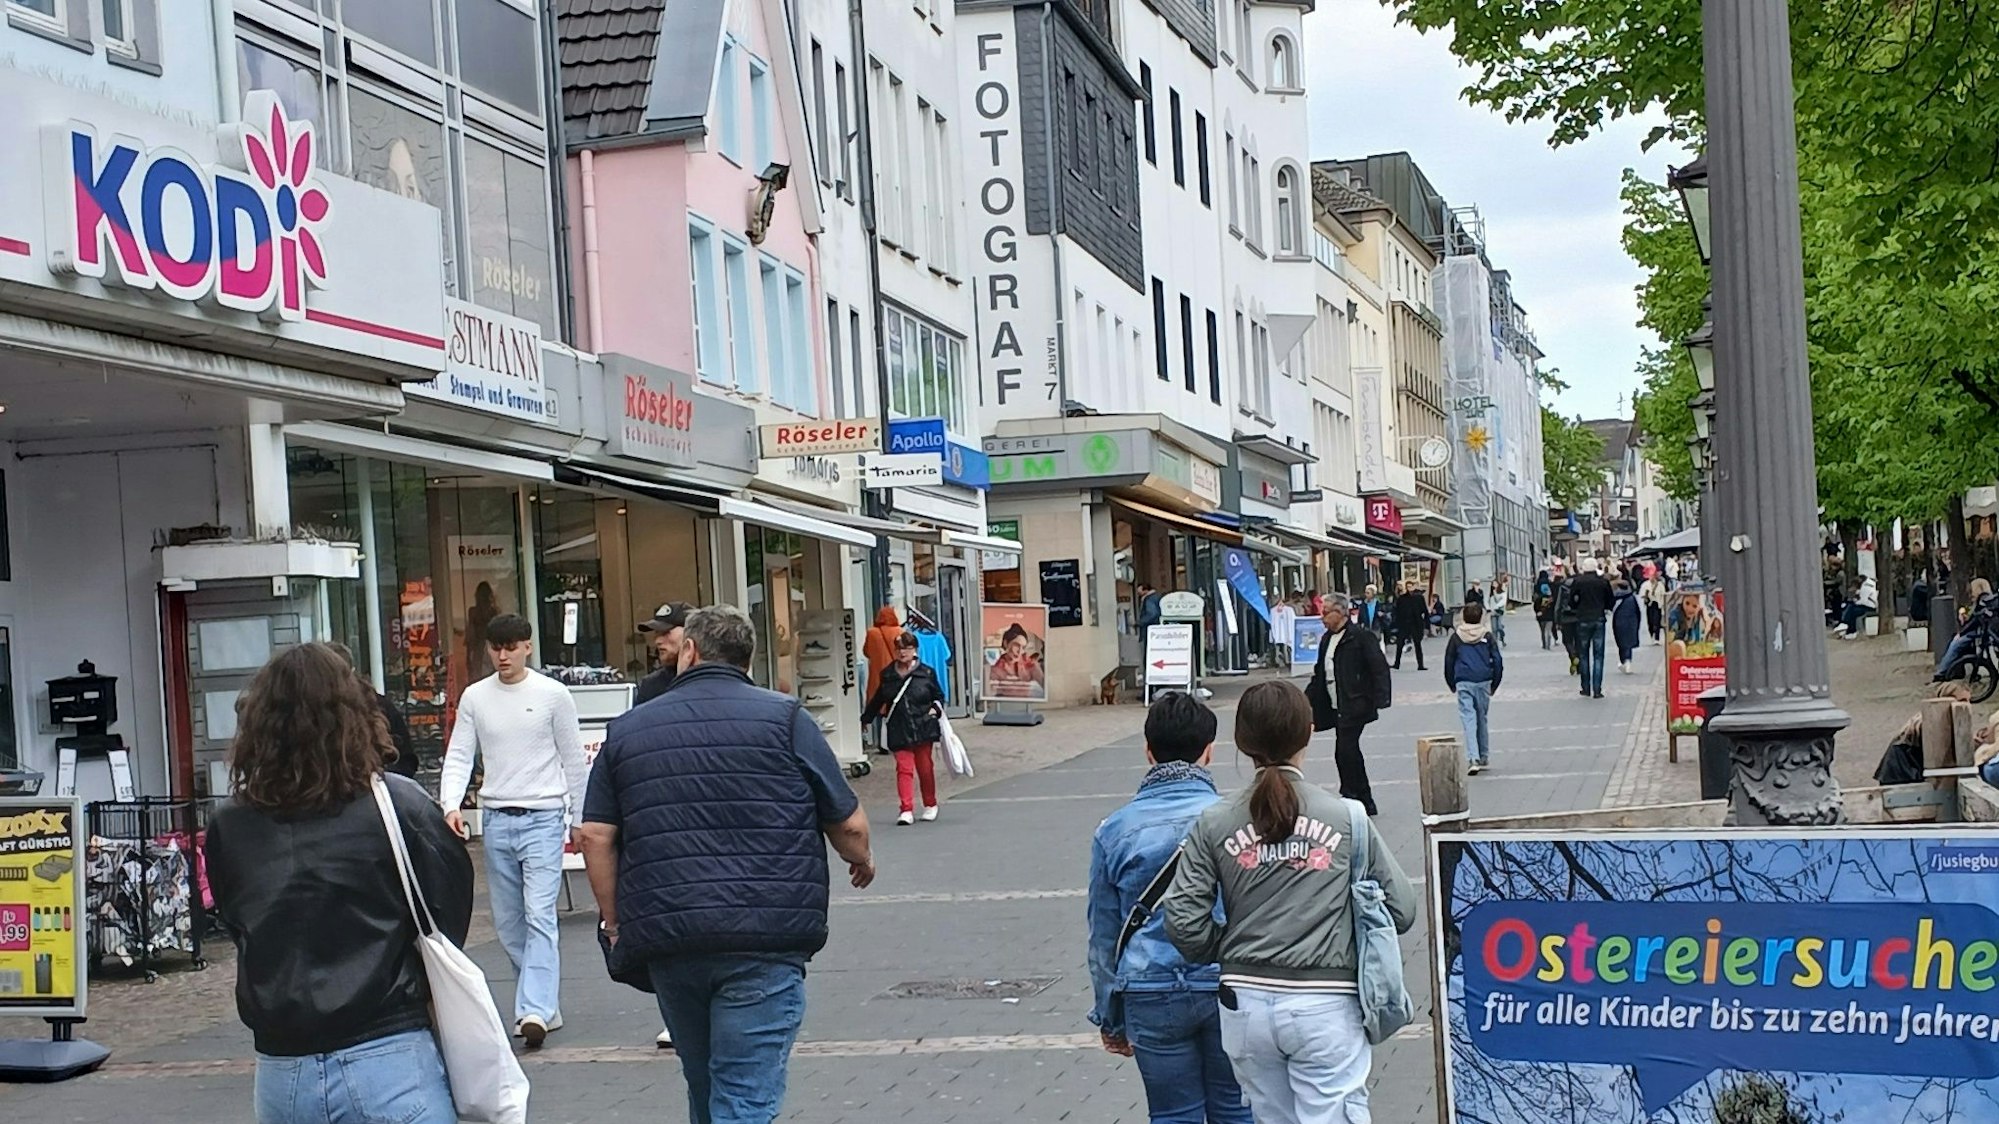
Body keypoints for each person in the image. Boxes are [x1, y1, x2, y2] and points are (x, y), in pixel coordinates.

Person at [576, 606, 874, 1124]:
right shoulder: (786, 719)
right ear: (749, 658)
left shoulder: (627, 729)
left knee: (706, 1083)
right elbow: (848, 824)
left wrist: (613, 919)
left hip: (671, 936)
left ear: (689, 650)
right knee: (744, 1096)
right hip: (764, 935)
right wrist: (861, 858)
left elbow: (596, 835)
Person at [207, 643, 473, 1124]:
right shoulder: (397, 805)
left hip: (283, 1066)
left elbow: (236, 919)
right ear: (355, 714)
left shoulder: (231, 825)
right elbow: (447, 915)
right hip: (387, 1047)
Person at [1162, 681, 1418, 1124]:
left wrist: (1228, 947)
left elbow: (1183, 923)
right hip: (1326, 1003)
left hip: (1245, 1004)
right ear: (1309, 732)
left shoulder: (1214, 822)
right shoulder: (1347, 818)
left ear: (1241, 742)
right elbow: (1403, 909)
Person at [1085, 692, 1252, 1124]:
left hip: (1149, 989)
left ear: (1148, 751)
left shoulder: (1114, 829)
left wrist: (1109, 1015)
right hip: (1226, 984)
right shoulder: (1235, 820)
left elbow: (1104, 935)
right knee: (1235, 1110)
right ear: (1209, 752)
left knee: (1173, 1114)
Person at [437, 612, 586, 1049]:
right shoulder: (476, 698)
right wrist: (450, 804)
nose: (503, 655)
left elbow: (573, 760)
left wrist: (579, 818)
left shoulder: (553, 696)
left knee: (539, 914)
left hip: (542, 816)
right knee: (508, 922)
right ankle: (541, 1002)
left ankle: (533, 1009)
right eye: (496, 647)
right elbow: (461, 753)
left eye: (511, 646)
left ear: (528, 647)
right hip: (498, 816)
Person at [1304, 592, 1393, 815]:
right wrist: (1306, 701)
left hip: (1355, 702)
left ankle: (1351, 795)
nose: (1322, 618)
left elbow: (1378, 668)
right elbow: (1320, 674)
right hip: (1336, 702)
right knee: (1348, 750)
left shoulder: (1360, 637)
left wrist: (1381, 697)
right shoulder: (1326, 639)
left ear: (1341, 612)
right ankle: (1363, 798)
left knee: (1345, 749)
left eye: (1325, 613)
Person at [863, 631, 946, 825]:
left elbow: (938, 696)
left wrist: (935, 709)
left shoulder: (926, 673)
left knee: (925, 768)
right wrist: (866, 718)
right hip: (898, 726)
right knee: (903, 768)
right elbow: (878, 700)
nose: (902, 652)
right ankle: (906, 809)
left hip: (923, 725)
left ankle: (930, 804)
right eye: (899, 648)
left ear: (915, 650)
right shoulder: (888, 675)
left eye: (907, 648)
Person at [1444, 601, 1503, 775]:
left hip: (1464, 680)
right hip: (1484, 680)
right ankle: (1484, 754)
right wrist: (1495, 682)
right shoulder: (1487, 636)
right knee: (1482, 718)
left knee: (1468, 719)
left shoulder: (1456, 637)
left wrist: (1451, 682)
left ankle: (1473, 758)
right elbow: (1497, 660)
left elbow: (1449, 661)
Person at [1567, 558, 1614, 699]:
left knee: (1583, 655)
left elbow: (1571, 600)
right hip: (1599, 619)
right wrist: (1605, 607)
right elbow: (1610, 600)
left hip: (1583, 620)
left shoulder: (1578, 582)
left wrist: (1577, 608)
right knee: (1598, 655)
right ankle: (1597, 689)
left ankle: (1585, 688)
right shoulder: (1603, 582)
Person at [634, 602, 694, 705]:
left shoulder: (712, 678)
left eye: (666, 632)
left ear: (690, 632)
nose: (658, 641)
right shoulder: (651, 685)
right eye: (657, 632)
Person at [987, 623, 1047, 695]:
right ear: (1006, 643)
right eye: (1017, 645)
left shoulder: (1029, 665)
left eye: (1023, 647)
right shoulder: (996, 670)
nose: (1020, 651)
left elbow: (1047, 690)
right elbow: (990, 695)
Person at [1390, 582, 1428, 671]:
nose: (1410, 588)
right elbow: (1397, 612)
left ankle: (1420, 664)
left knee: (1417, 644)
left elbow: (1424, 611)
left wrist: (1426, 626)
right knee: (1400, 644)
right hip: (1404, 624)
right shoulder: (1402, 599)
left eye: (1411, 586)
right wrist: (1396, 623)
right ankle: (1397, 663)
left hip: (1415, 624)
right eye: (1408, 587)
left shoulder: (1419, 598)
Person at [1611, 579, 1643, 674]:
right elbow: (1638, 612)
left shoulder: (1615, 598)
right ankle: (1627, 661)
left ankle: (1624, 661)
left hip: (1618, 623)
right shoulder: (1631, 598)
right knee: (1628, 643)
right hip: (1631, 622)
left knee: (1621, 643)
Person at [1640, 570, 1670, 643]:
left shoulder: (1660, 585)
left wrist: (1663, 605)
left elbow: (1663, 595)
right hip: (1649, 604)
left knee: (1657, 621)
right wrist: (1646, 596)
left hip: (1657, 604)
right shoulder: (1645, 585)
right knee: (1650, 621)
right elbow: (1642, 594)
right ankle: (1651, 634)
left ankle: (1657, 638)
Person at [1532, 569, 1557, 650]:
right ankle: (1548, 644)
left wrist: (1537, 611)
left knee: (1542, 630)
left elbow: (1534, 600)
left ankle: (1544, 644)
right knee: (1548, 629)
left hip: (1540, 611)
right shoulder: (1551, 584)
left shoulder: (1537, 585)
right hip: (1550, 611)